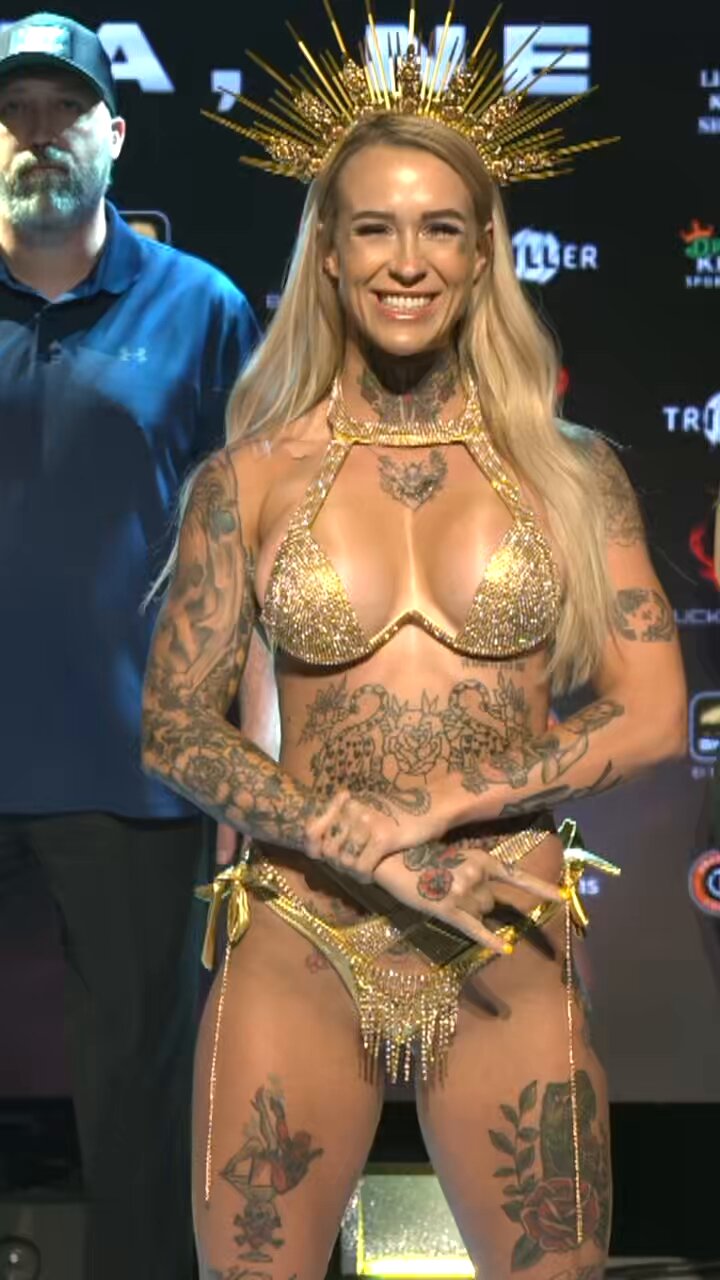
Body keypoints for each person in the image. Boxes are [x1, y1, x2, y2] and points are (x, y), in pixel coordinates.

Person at [142, 13, 687, 1279]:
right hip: (305, 920)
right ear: (329, 253)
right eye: (374, 228)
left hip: (501, 918)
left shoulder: (571, 473)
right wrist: (354, 843)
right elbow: (172, 724)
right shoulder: (248, 479)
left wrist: (436, 810)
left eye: (440, 228)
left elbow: (657, 709)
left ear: (484, 250)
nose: (406, 261)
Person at [0, 12, 257, 1280]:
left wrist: (249, 761)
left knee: (139, 1109)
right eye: (13, 113)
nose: (37, 135)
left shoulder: (202, 307)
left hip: (135, 766)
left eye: (64, 111)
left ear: (114, 132)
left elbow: (256, 543)